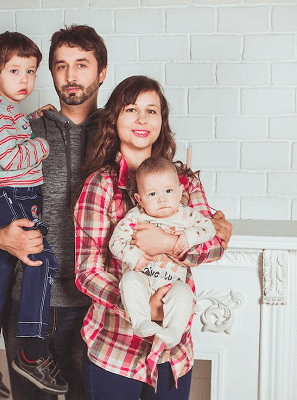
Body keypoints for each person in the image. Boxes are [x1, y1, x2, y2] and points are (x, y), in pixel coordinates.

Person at [0, 25, 108, 400]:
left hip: (95, 305)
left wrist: (210, 219)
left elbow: (158, 189)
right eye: (61, 66)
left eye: (82, 64)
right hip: (29, 300)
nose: (71, 75)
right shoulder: (27, 127)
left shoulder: (119, 131)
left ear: (102, 72)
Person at [74, 75, 229, 400]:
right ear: (114, 119)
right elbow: (87, 271)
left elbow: (212, 245)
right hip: (115, 349)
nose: (142, 119)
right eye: (131, 109)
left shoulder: (183, 181)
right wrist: (141, 307)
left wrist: (168, 244)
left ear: (162, 120)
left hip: (174, 353)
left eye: (152, 111)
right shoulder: (100, 186)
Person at [0, 31, 67, 398]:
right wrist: (42, 144)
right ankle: (31, 352)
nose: (24, 80)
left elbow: (12, 135)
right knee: (42, 262)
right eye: (14, 71)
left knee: (2, 271)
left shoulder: (10, 114)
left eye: (31, 72)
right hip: (10, 196)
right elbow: (11, 157)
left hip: (12, 194)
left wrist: (32, 119)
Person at [109, 156, 216, 352]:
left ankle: (174, 332)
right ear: (139, 199)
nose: (162, 199)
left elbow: (209, 228)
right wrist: (134, 257)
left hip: (172, 284)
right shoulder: (135, 216)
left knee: (184, 293)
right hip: (143, 280)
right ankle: (141, 322)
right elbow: (115, 242)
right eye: (152, 194)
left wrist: (188, 237)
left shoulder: (187, 215)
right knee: (129, 280)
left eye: (168, 191)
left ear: (180, 192)